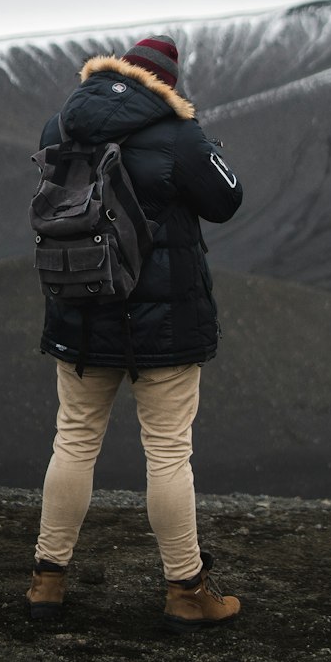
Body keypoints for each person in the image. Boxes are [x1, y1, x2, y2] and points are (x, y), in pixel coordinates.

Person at [26, 34, 244, 631]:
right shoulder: (177, 135)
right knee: (168, 452)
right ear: (167, 82)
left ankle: (48, 582)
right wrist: (201, 141)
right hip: (163, 324)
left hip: (78, 308)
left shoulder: (60, 125)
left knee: (73, 441)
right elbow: (227, 200)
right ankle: (185, 592)